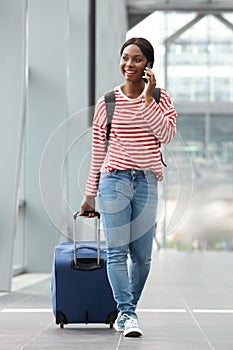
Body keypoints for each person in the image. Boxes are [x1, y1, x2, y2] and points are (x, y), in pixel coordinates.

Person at [79, 37, 177, 337]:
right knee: (117, 251)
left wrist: (147, 98)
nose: (129, 64)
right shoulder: (107, 102)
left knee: (143, 257)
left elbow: (166, 135)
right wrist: (89, 194)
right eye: (125, 58)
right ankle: (127, 313)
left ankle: (126, 310)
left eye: (136, 59)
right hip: (114, 181)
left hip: (146, 181)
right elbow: (98, 151)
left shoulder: (160, 98)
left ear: (148, 64)